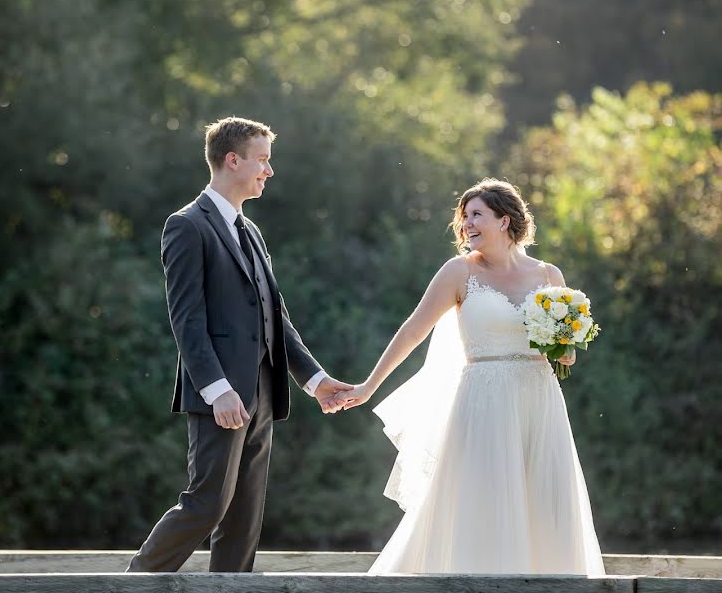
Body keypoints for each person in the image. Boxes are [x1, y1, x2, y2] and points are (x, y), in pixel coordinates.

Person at [337, 179, 604, 575]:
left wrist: (563, 347)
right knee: (482, 497)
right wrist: (368, 386)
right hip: (483, 398)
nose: (467, 225)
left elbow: (566, 354)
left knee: (545, 498)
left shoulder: (548, 275)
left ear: (505, 219)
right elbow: (413, 330)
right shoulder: (458, 272)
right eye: (464, 218)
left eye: (476, 215)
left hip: (538, 397)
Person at [127, 116, 352, 573]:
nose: (269, 171)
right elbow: (187, 320)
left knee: (244, 519)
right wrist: (216, 389)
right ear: (233, 160)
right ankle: (129, 588)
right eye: (263, 160)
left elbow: (275, 317)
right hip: (221, 396)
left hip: (263, 393)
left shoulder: (250, 231)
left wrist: (316, 380)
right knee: (207, 504)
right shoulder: (187, 225)